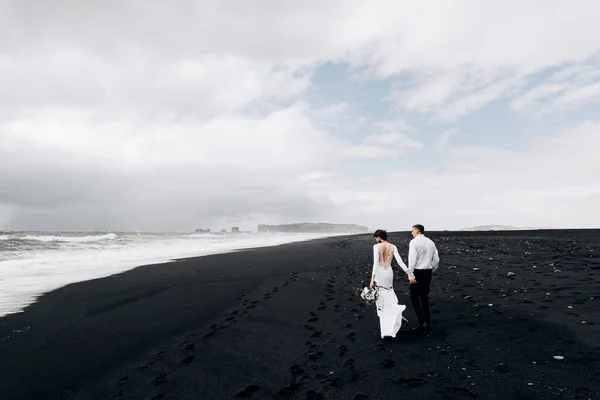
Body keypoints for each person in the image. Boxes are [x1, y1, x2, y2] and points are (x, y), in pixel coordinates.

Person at [369, 229, 416, 339]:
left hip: (380, 273)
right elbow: (399, 261)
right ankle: (397, 316)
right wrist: (409, 273)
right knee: (389, 293)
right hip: (389, 273)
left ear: (379, 237)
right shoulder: (393, 246)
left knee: (380, 299)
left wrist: (372, 279)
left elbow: (376, 263)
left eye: (376, 238)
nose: (376, 240)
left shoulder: (376, 247)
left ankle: (389, 327)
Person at [408, 224, 440, 332]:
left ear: (417, 231)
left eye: (412, 231)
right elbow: (436, 259)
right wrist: (432, 269)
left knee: (414, 297)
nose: (411, 233)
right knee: (424, 296)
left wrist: (410, 273)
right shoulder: (431, 242)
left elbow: (412, 259)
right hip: (428, 272)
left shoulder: (414, 242)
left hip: (417, 272)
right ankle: (427, 320)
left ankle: (422, 322)